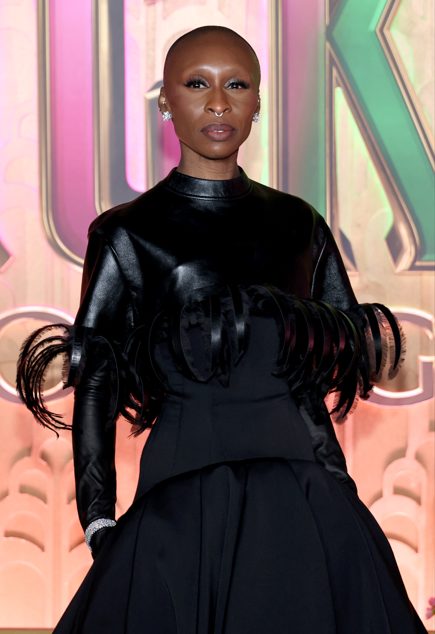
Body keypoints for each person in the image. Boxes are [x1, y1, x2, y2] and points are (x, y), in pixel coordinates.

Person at [16, 25, 426, 634]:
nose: (217, 103)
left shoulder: (297, 224)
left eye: (236, 85)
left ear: (258, 101)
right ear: (165, 101)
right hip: (183, 500)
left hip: (305, 499)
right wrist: (99, 518)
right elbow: (98, 381)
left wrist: (338, 492)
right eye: (196, 84)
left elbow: (333, 359)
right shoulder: (128, 233)